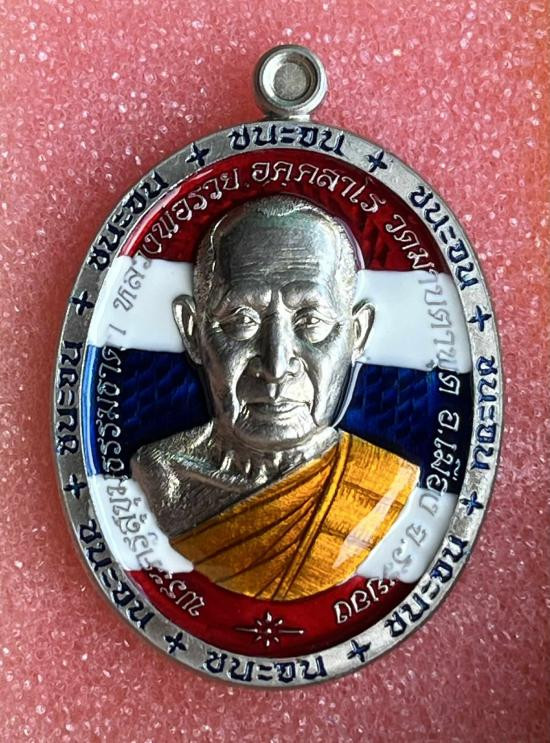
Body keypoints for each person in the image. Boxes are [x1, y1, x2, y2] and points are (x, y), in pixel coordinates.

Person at [131, 195, 419, 601]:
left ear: (357, 334)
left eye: (311, 321)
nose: (276, 364)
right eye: (242, 321)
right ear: (193, 332)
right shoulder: (164, 476)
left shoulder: (381, 481)